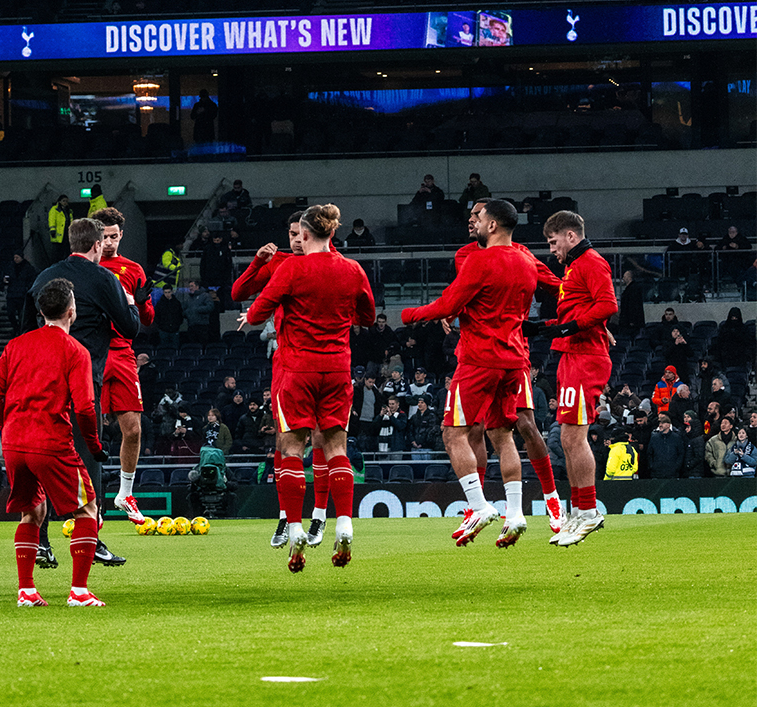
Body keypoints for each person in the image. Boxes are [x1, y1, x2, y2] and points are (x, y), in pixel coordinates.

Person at [401, 199, 543, 549]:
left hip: (480, 359)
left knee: (453, 433)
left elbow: (447, 305)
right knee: (503, 435)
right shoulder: (527, 262)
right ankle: (515, 512)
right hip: (514, 359)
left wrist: (409, 314)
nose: (474, 222)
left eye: (478, 217)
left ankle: (478, 506)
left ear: (492, 225)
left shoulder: (479, 259)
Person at [243, 203, 376, 572]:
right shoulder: (353, 269)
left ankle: (297, 526)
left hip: (298, 370)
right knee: (336, 447)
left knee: (291, 447)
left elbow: (254, 315)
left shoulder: (292, 268)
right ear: (332, 233)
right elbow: (367, 316)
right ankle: (345, 522)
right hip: (337, 369)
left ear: (303, 234)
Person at [24, 216, 139, 570]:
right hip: (84, 382)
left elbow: (25, 331)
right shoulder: (105, 278)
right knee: (89, 457)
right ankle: (91, 540)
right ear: (95, 246)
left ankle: (41, 542)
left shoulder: (44, 278)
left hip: (42, 382)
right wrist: (129, 303)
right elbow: (130, 327)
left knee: (44, 456)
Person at [0, 277, 107, 608]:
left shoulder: (15, 346)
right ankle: (79, 592)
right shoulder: (75, 351)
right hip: (49, 440)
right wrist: (94, 445)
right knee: (88, 509)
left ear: (40, 311)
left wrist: (6, 424)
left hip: (13, 443)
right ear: (72, 311)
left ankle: (26, 590)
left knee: (32, 511)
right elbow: (84, 407)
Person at [532, 210, 619, 547]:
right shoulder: (572, 268)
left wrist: (570, 326)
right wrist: (544, 327)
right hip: (571, 355)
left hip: (586, 358)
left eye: (554, 242)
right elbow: (576, 314)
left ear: (570, 235)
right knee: (567, 438)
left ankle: (588, 511)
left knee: (574, 436)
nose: (552, 249)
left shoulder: (592, 262)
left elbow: (607, 305)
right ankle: (579, 510)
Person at [95, 208, 155, 525]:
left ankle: (124, 493)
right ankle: (87, 500)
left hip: (121, 352)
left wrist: (143, 301)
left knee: (132, 429)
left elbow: (148, 321)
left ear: (121, 235)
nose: (108, 242)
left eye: (113, 236)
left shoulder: (132, 269)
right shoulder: (84, 267)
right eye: (103, 236)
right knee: (85, 430)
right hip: (89, 353)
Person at [47, 194, 72, 259]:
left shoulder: (69, 210)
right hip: (58, 234)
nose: (65, 203)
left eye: (66, 201)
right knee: (57, 252)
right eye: (63, 201)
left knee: (66, 250)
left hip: (66, 233)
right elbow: (52, 219)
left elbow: (71, 220)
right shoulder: (54, 209)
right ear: (59, 201)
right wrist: (52, 229)